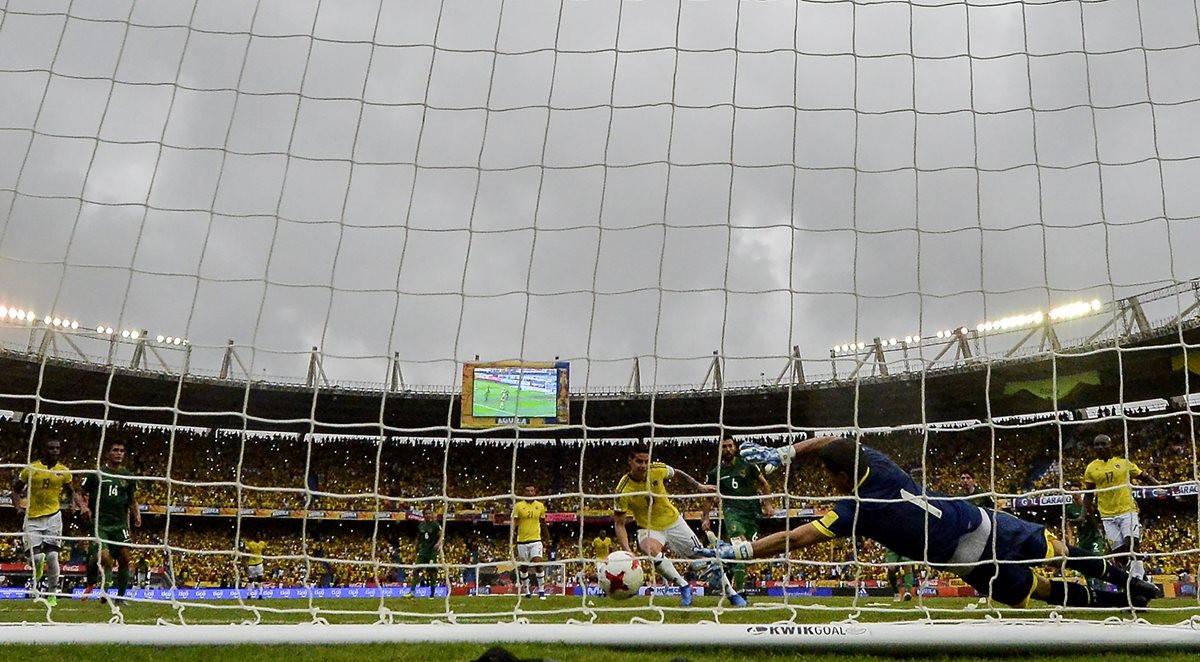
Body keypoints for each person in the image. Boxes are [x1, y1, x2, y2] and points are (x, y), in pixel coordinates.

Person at [714, 436, 1159, 610]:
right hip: (978, 521)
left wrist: (743, 550)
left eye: (828, 477)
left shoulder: (854, 509)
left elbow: (797, 537)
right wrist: (789, 452)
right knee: (1056, 557)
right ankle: (1131, 589)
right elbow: (836, 440)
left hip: (964, 554)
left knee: (1042, 587)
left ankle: (1123, 601)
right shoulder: (879, 462)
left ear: (839, 477)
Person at [613, 443, 744, 607]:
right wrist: (627, 551)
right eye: (639, 462)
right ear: (630, 461)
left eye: (646, 461)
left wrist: (699, 486)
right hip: (649, 528)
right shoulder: (623, 489)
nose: (644, 466)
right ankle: (683, 586)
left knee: (704, 558)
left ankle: (731, 593)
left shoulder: (658, 469)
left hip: (674, 522)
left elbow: (678, 474)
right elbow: (619, 524)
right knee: (649, 550)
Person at [13, 436, 89, 607]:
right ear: (44, 450)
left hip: (54, 517)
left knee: (53, 556)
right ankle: (38, 567)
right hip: (32, 517)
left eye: (57, 448)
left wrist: (78, 506)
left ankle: (52, 594)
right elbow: (15, 490)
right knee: (38, 557)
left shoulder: (64, 471)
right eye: (51, 448)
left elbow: (71, 491)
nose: (55, 451)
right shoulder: (31, 468)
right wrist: (18, 506)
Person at [1082, 434, 1162, 580]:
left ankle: (1138, 576)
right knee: (1120, 553)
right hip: (1107, 516)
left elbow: (1144, 476)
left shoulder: (1123, 463)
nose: (1099, 447)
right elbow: (1088, 494)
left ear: (1110, 445)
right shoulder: (1091, 469)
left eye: (1103, 444)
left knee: (1131, 542)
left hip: (1127, 510)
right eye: (1097, 445)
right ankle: (1140, 576)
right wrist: (1082, 515)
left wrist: (1161, 486)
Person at [702, 436, 775, 594]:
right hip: (732, 514)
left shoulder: (748, 465)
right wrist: (706, 517)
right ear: (720, 450)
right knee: (740, 547)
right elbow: (708, 497)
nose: (727, 449)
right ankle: (738, 589)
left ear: (735, 447)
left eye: (730, 446)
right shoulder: (715, 473)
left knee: (746, 553)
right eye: (724, 447)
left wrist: (768, 504)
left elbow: (764, 483)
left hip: (753, 514)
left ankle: (726, 570)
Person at [80, 439, 141, 604]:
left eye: (121, 450)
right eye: (115, 450)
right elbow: (80, 493)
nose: (119, 453)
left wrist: (137, 514)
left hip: (120, 524)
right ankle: (102, 583)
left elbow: (132, 499)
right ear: (108, 453)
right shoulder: (97, 474)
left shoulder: (128, 476)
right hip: (100, 524)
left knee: (125, 558)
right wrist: (83, 507)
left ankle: (120, 598)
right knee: (105, 557)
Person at [512, 485, 549, 600]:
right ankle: (527, 591)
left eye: (532, 491)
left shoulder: (540, 506)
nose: (530, 493)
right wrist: (512, 534)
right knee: (524, 567)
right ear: (524, 493)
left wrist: (547, 535)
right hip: (522, 540)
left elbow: (542, 522)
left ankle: (541, 591)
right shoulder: (518, 506)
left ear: (535, 493)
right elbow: (515, 521)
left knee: (538, 563)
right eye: (527, 491)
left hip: (536, 540)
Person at [414, 508, 442, 593]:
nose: (428, 515)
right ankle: (411, 591)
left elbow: (441, 536)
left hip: (432, 552)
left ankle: (432, 594)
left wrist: (438, 543)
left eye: (429, 513)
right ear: (423, 515)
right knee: (415, 570)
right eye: (426, 514)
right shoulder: (420, 526)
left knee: (431, 573)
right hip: (423, 551)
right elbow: (418, 538)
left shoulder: (435, 525)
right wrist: (415, 548)